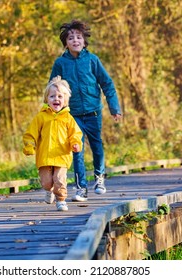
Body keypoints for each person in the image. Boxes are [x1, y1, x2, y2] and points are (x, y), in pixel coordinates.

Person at [49, 19, 122, 202]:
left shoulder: (92, 60)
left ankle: (99, 177)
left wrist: (114, 108)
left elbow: (107, 84)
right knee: (77, 150)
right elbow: (52, 87)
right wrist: (50, 109)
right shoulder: (60, 63)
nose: (75, 41)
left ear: (84, 40)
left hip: (93, 112)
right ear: (65, 42)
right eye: (71, 38)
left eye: (78, 37)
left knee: (97, 147)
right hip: (72, 115)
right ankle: (81, 188)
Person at [22, 76, 83, 211]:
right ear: (46, 99)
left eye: (60, 96)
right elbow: (30, 134)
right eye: (52, 96)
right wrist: (29, 146)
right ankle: (48, 191)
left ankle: (61, 200)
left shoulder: (68, 118)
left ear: (65, 100)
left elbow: (75, 133)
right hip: (45, 156)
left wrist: (76, 143)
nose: (56, 99)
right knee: (46, 182)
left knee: (60, 180)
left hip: (62, 155)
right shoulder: (41, 117)